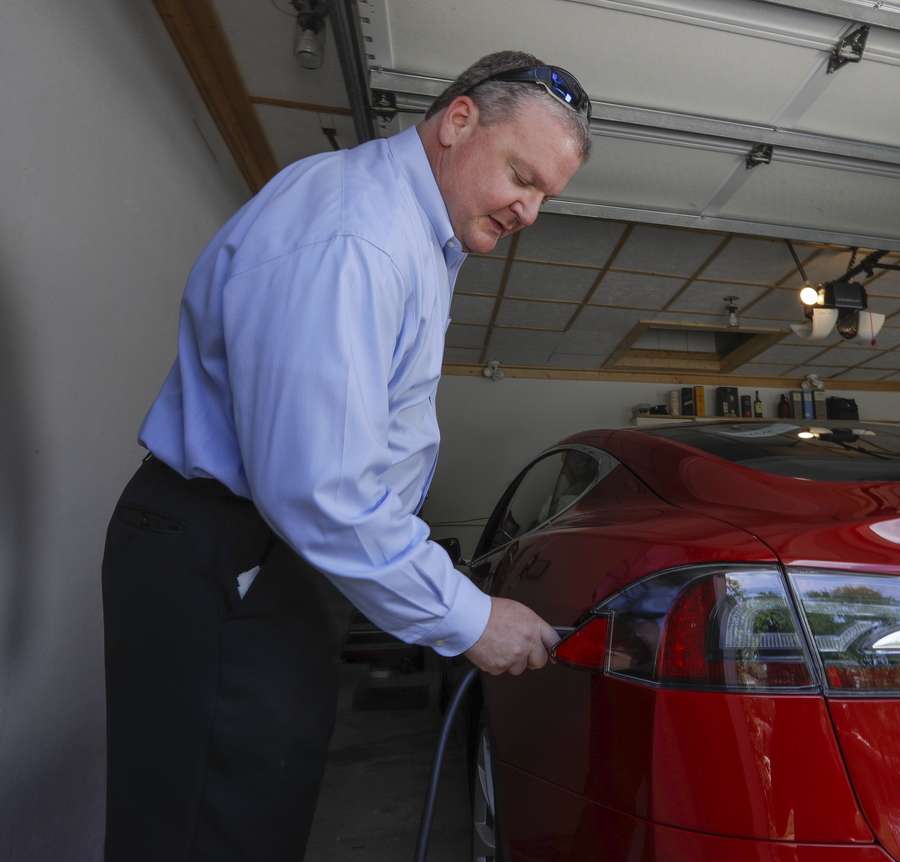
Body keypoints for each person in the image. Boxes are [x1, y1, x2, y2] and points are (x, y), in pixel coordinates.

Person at [100, 50, 592, 861]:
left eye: (544, 195)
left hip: (262, 556)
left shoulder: (418, 238)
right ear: (458, 120)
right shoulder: (357, 233)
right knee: (208, 830)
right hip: (221, 553)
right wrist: (469, 619)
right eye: (521, 175)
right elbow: (319, 487)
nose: (529, 210)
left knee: (256, 812)